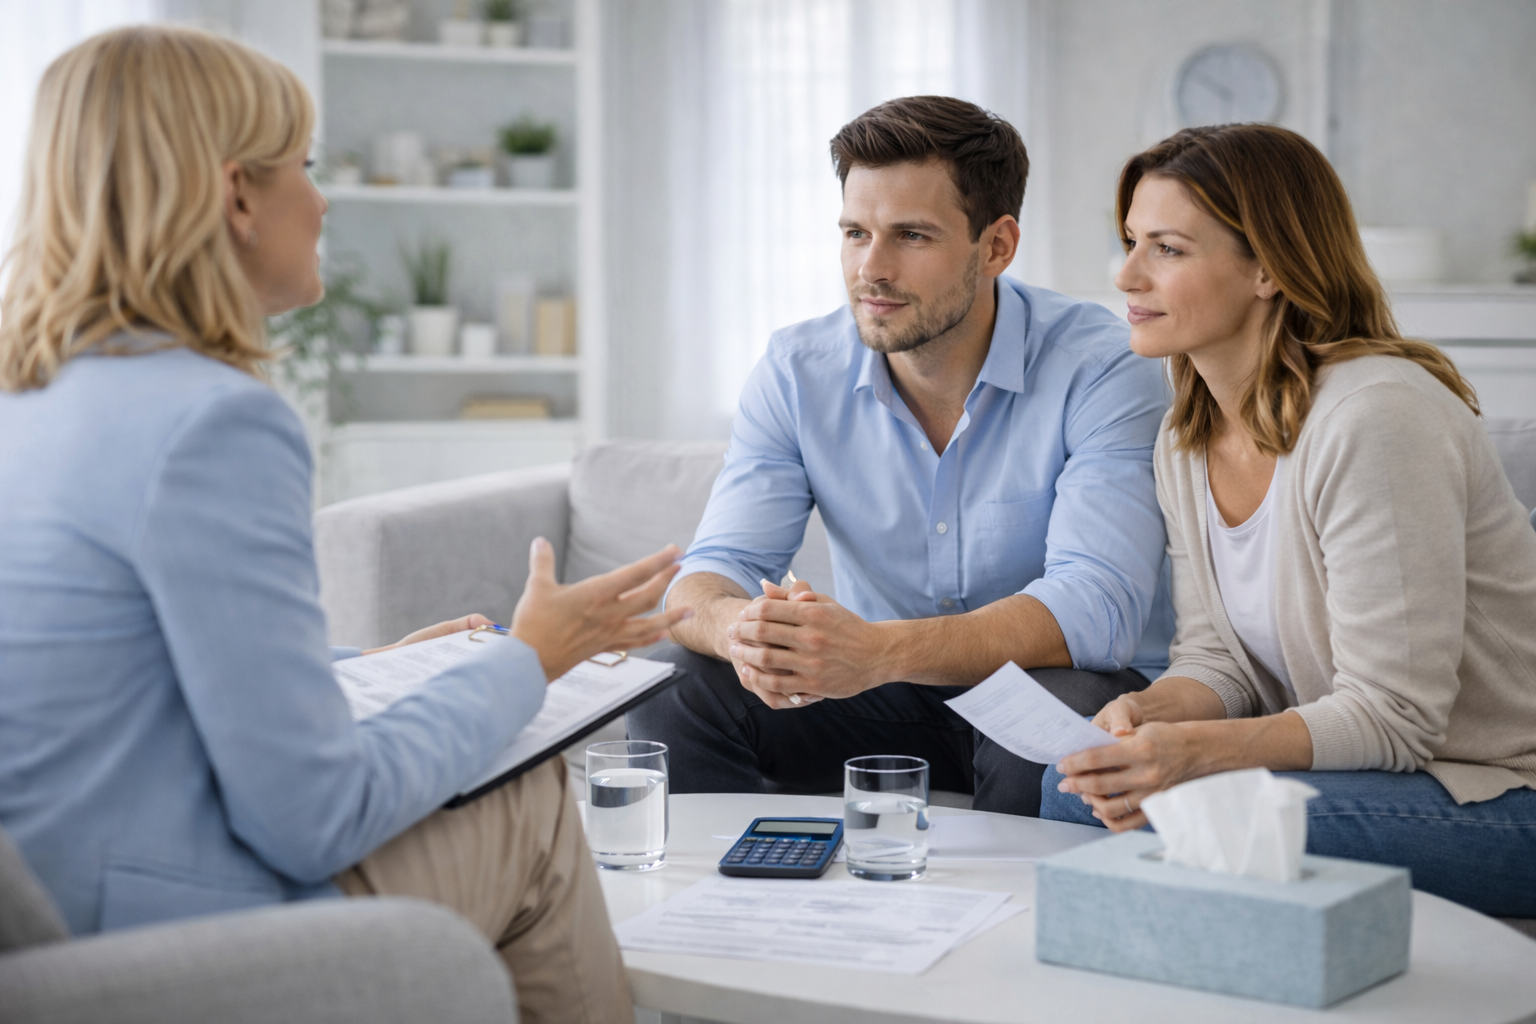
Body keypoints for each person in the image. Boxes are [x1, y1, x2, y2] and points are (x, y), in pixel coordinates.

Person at [0, 27, 686, 1022]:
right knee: (527, 794)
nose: (322, 202)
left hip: (69, 900)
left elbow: (111, 694)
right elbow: (312, 818)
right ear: (238, 195)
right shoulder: (214, 421)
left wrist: (353, 672)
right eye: (305, 168)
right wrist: (526, 660)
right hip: (164, 931)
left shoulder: (32, 401)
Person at [628, 96, 1175, 816]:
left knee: (1053, 723)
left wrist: (879, 650)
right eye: (856, 233)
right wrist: (745, 632)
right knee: (674, 687)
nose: (871, 269)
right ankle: (735, 907)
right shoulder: (798, 370)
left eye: (911, 236)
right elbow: (709, 573)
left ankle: (1016, 924)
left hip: (1052, 681)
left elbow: (1096, 608)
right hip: (877, 696)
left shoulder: (1101, 367)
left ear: (997, 245)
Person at [1043, 123, 1536, 918]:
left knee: (1121, 806)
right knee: (1077, 783)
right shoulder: (1188, 433)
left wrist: (1192, 756)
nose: (1126, 273)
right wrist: (1152, 716)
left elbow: (1394, 718)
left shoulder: (1374, 416)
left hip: (1498, 791)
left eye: (1167, 248)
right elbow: (1220, 658)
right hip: (1386, 775)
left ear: (1268, 266)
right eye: (1129, 241)